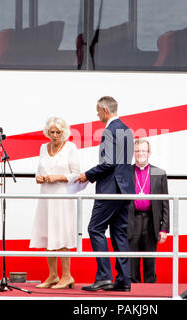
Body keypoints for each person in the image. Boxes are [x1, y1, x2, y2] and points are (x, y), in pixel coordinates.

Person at [75, 96, 135, 292]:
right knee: (119, 233)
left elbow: (108, 163)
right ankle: (124, 280)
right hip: (125, 189)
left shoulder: (109, 131)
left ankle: (103, 277)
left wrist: (87, 175)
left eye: (97, 110)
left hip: (110, 189)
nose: (97, 114)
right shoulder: (127, 129)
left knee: (95, 228)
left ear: (104, 109)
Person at [29, 117, 80, 289]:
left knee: (62, 235)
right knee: (47, 234)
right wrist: (39, 177)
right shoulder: (43, 147)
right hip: (46, 196)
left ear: (64, 132)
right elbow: (39, 171)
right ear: (47, 133)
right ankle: (52, 275)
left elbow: (77, 174)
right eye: (52, 132)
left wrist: (58, 177)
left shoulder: (70, 147)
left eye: (58, 132)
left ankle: (67, 276)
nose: (55, 135)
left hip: (62, 197)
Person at [127, 139, 170, 283]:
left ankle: (151, 292)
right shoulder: (127, 172)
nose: (140, 154)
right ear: (133, 153)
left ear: (149, 153)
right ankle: (133, 295)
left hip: (151, 222)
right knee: (131, 262)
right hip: (131, 221)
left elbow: (165, 203)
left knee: (149, 262)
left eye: (143, 151)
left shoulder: (159, 173)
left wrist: (164, 228)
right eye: (137, 151)